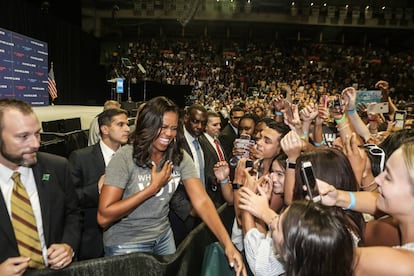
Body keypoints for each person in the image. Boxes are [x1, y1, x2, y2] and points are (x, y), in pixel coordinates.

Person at [97, 96, 246, 275]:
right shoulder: (124, 158)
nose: (169, 133)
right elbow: (104, 217)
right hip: (126, 242)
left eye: (173, 128)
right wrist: (151, 189)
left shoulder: (179, 156)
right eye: (163, 127)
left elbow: (202, 201)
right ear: (148, 125)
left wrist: (227, 244)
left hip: (163, 238)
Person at [0, 99, 81, 274]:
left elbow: (73, 214)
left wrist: (68, 245)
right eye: (23, 136)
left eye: (37, 133)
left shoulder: (58, 167)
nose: (36, 144)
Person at [317, 140, 414, 275]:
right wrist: (338, 197)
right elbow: (374, 199)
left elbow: (326, 255)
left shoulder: (401, 265)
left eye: (389, 177)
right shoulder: (404, 218)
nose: (378, 179)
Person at [68, 108, 130, 260]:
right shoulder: (81, 158)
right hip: (94, 242)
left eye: (127, 124)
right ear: (105, 129)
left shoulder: (134, 156)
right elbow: (70, 198)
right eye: (120, 125)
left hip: (129, 238)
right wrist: (97, 188)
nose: (127, 129)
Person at [169, 103, 208, 245]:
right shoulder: (175, 143)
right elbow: (170, 182)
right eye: (195, 121)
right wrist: (188, 210)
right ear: (186, 119)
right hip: (182, 215)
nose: (199, 126)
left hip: (201, 209)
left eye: (203, 123)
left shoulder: (203, 140)